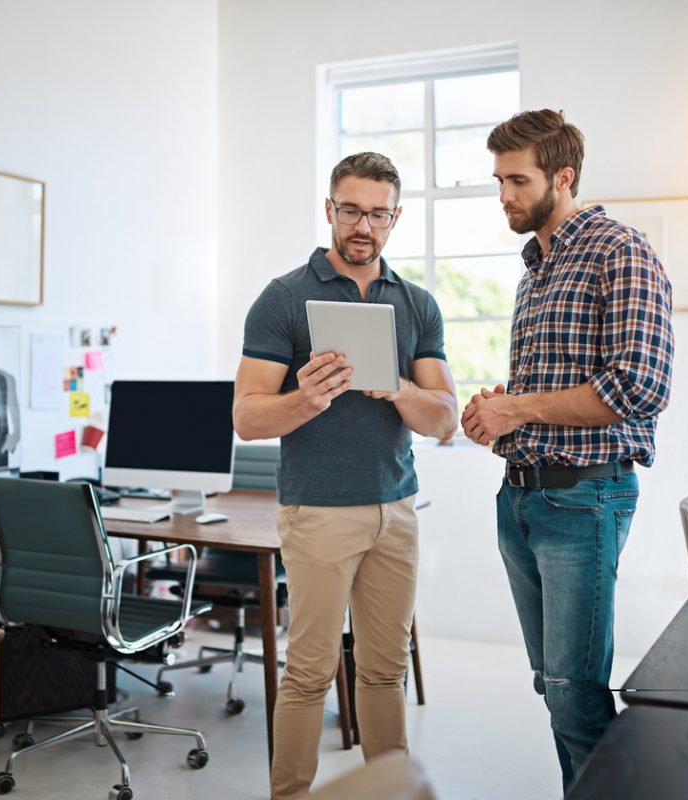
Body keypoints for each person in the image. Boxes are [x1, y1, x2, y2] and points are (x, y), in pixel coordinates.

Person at [233, 152, 458, 800]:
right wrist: (305, 398)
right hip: (319, 512)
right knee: (307, 673)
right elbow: (247, 417)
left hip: (396, 508)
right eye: (352, 210)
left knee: (384, 673)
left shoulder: (416, 304)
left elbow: (444, 418)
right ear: (330, 210)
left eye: (379, 214)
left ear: (396, 218)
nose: (365, 225)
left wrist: (392, 387)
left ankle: (391, 789)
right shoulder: (282, 298)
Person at [461, 110, 674, 790]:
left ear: (564, 176)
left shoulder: (620, 251)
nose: (504, 196)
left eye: (517, 180)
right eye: (498, 181)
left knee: (575, 693)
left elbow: (639, 385)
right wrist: (494, 415)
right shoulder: (535, 269)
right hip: (521, 497)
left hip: (583, 499)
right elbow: (547, 395)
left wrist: (517, 407)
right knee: (555, 688)